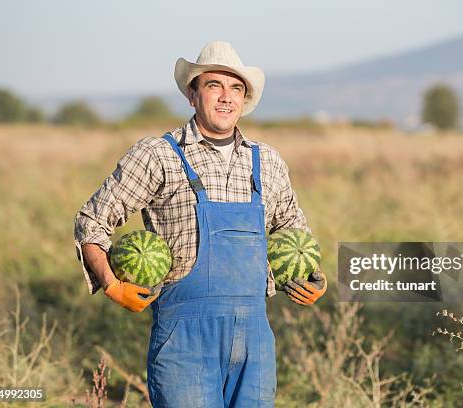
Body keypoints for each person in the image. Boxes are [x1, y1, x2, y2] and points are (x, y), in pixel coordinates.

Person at [73, 41, 327, 407]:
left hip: (254, 340)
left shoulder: (267, 162)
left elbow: (293, 230)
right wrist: (112, 285)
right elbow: (91, 220)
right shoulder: (158, 154)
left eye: (236, 88)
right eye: (214, 85)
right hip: (184, 340)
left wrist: (311, 274)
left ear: (244, 99)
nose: (226, 97)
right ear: (193, 95)